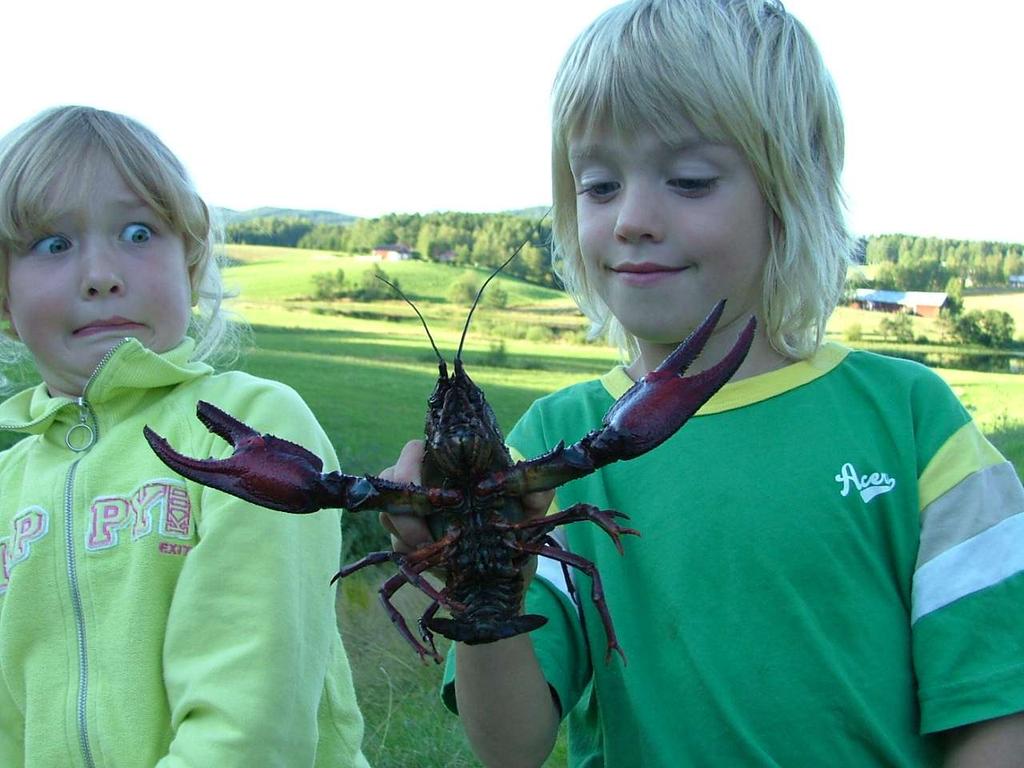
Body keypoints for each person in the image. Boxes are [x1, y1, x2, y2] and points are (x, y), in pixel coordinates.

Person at [381, 1, 1024, 765]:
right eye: (597, 184)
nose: (633, 219)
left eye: (688, 180)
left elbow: (996, 708)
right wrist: (471, 576)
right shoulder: (544, 456)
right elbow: (511, 744)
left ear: (791, 195)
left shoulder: (914, 421)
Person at [0, 106, 369, 767]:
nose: (100, 274)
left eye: (138, 232)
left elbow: (253, 724)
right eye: (53, 244)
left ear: (191, 267)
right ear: (3, 297)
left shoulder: (258, 429)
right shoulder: (6, 485)